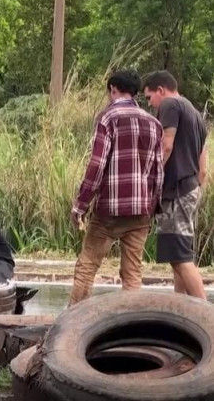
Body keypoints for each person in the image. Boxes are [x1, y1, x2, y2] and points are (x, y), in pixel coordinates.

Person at [68, 70, 164, 306]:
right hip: (140, 211)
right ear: (134, 92)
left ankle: (72, 322)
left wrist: (80, 205)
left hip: (109, 211)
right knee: (132, 273)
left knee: (88, 265)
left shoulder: (108, 118)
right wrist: (152, 207)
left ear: (112, 89)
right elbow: (158, 172)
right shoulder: (154, 123)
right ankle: (130, 326)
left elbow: (97, 165)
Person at [143, 70, 208, 299]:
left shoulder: (170, 104)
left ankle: (205, 315)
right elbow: (204, 166)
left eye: (149, 98)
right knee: (178, 255)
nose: (151, 105)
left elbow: (166, 145)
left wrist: (150, 177)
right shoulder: (195, 113)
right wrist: (197, 187)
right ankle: (183, 309)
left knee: (180, 258)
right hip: (191, 188)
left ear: (161, 90)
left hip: (177, 190)